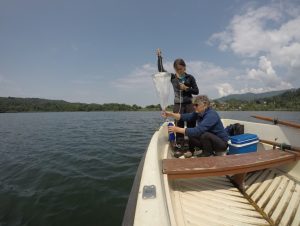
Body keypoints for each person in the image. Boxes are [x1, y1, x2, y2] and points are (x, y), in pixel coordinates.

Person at [162, 95, 229, 157]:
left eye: (196, 105)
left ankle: (208, 154)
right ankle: (191, 151)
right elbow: (185, 117)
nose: (194, 107)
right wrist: (171, 114)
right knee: (191, 134)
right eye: (193, 105)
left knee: (204, 134)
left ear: (205, 105)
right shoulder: (199, 113)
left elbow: (198, 130)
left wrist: (177, 129)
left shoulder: (211, 115)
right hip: (209, 142)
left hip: (221, 144)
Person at [156, 48, 199, 144]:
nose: (179, 71)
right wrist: (159, 57)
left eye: (180, 69)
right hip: (177, 104)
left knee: (191, 124)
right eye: (176, 69)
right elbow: (161, 70)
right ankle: (180, 145)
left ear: (185, 67)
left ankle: (193, 144)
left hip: (189, 104)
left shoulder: (190, 77)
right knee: (178, 125)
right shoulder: (172, 77)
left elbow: (196, 91)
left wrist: (186, 88)